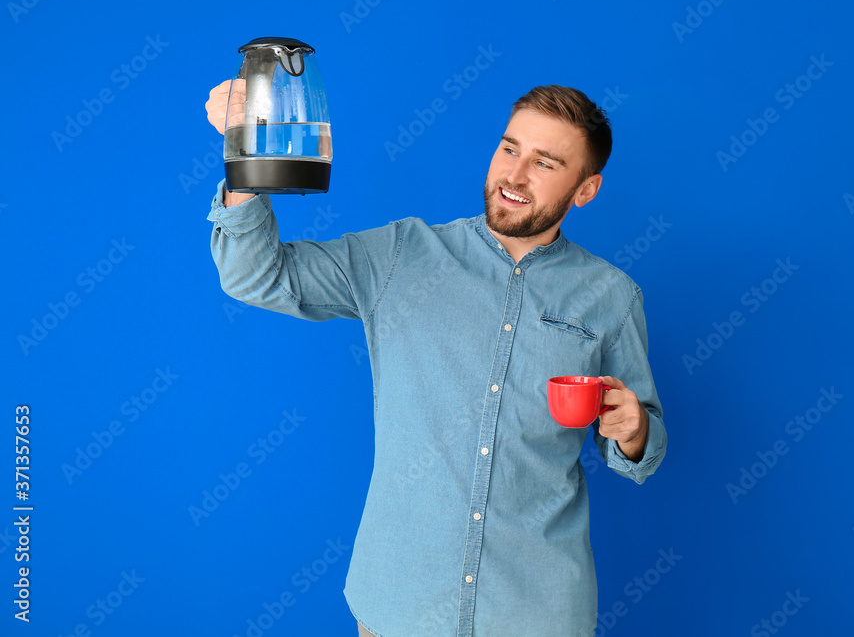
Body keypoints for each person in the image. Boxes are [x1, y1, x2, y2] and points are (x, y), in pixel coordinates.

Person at [204, 80, 667, 637]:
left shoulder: (611, 296)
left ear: (585, 189)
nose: (515, 176)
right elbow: (256, 275)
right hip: (398, 606)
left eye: (545, 162)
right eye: (510, 148)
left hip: (537, 615)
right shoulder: (403, 254)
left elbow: (638, 446)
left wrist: (635, 430)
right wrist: (244, 157)